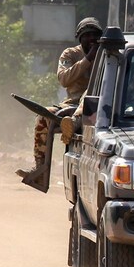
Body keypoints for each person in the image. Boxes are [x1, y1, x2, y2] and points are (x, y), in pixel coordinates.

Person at [16, 17, 103, 177]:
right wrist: (87, 59)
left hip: (99, 107)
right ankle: (40, 170)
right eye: (87, 35)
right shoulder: (70, 54)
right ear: (80, 38)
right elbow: (63, 79)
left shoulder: (106, 55)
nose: (92, 39)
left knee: (90, 92)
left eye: (95, 35)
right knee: (43, 117)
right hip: (71, 106)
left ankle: (73, 124)